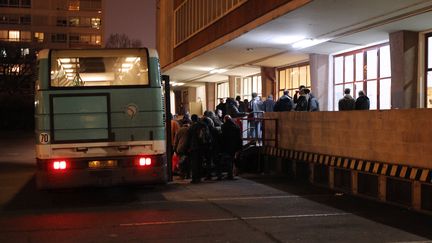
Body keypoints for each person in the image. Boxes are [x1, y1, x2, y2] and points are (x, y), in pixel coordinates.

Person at [187, 114, 212, 183]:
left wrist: (188, 147)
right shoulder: (203, 125)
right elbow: (207, 135)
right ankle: (199, 177)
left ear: (192, 119)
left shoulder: (191, 127)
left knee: (194, 163)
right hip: (202, 146)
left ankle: (195, 178)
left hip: (194, 147)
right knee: (200, 162)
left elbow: (188, 138)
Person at [221, 115, 242, 180]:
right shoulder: (236, 126)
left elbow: (222, 137)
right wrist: (239, 147)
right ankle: (232, 174)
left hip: (227, 146)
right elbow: (239, 138)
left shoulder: (223, 126)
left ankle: (230, 174)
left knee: (228, 160)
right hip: (235, 146)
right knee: (233, 160)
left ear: (225, 119)